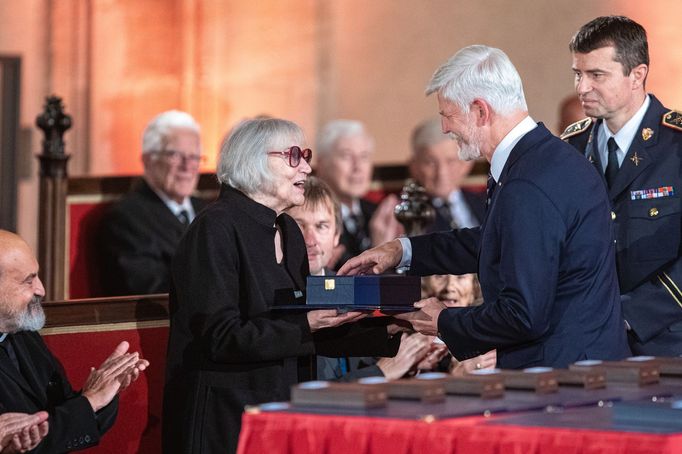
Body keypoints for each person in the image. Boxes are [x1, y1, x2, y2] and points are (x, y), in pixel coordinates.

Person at [339, 44, 631, 369]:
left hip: (562, 381)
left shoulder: (529, 183)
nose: (446, 128)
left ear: (481, 111)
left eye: (447, 115)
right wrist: (401, 250)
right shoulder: (538, 161)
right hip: (577, 367)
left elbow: (523, 315)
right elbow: (494, 242)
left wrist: (445, 320)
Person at [162, 118, 401, 454]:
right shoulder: (214, 229)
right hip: (225, 418)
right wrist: (306, 325)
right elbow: (220, 337)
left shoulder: (288, 229)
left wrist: (389, 326)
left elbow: (307, 325)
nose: (306, 165)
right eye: (293, 156)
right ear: (253, 161)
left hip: (284, 410)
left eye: (304, 154)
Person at [561, 16, 682, 357]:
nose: (582, 87)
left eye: (596, 75)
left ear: (637, 75)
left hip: (667, 345)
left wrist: (628, 314)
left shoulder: (677, 145)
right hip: (585, 344)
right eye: (577, 73)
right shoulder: (570, 147)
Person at [0, 230, 148, 453]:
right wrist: (90, 401)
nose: (41, 289)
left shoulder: (22, 331)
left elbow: (58, 416)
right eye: (28, 281)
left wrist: (104, 391)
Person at [286, 176, 439, 381]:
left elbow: (366, 358)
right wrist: (380, 373)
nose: (311, 240)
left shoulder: (351, 287)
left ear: (337, 235)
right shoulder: (278, 296)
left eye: (321, 226)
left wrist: (411, 363)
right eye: (299, 225)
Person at [100, 110, 207, 296]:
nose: (187, 166)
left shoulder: (208, 209)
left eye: (194, 157)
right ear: (148, 160)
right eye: (175, 155)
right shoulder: (127, 217)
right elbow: (150, 288)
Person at [315, 119, 403, 269]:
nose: (358, 167)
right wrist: (380, 251)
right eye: (346, 156)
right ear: (322, 164)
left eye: (364, 157)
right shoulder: (311, 218)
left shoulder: (380, 215)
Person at [409, 118, 485, 232]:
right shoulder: (408, 214)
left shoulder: (487, 204)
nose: (442, 173)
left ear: (466, 164)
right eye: (430, 162)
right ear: (414, 166)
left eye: (451, 161)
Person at [421, 274, 496, 375]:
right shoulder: (407, 343)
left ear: (475, 289)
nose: (449, 287)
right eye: (440, 275)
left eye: (460, 276)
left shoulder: (489, 341)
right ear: (426, 284)